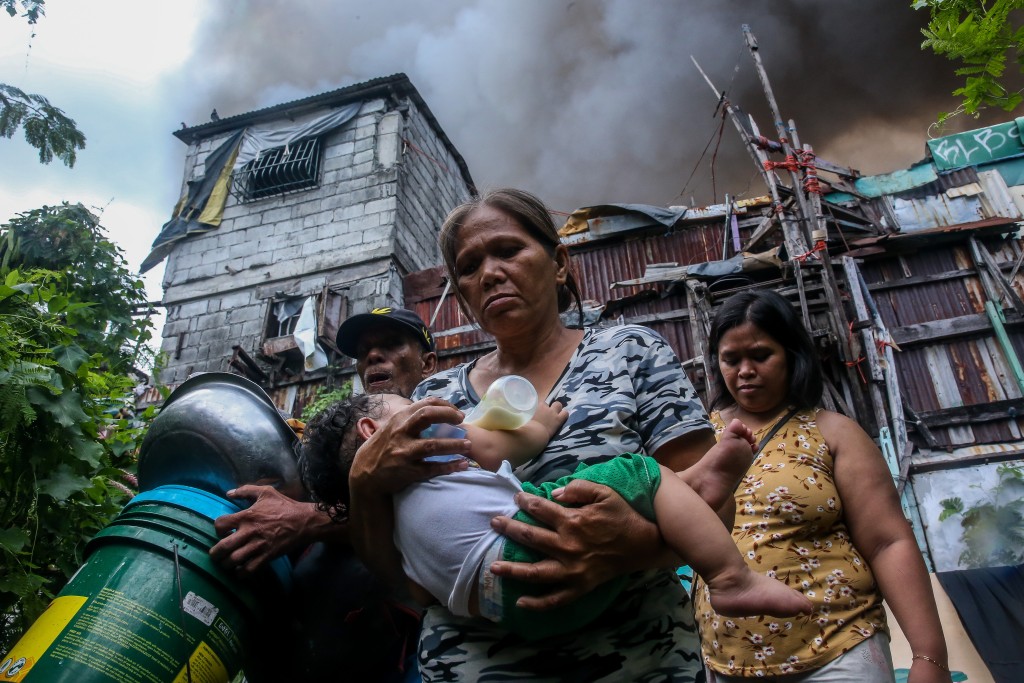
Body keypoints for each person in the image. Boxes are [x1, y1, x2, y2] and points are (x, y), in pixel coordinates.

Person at [347, 188, 752, 682]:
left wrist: (629, 546)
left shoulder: (628, 353)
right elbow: (407, 577)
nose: (490, 273)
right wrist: (362, 485)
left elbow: (715, 504)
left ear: (559, 263)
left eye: (509, 250)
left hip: (639, 662)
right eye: (469, 266)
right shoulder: (432, 400)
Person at [302, 392, 811, 640]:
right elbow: (510, 440)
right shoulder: (432, 441)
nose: (421, 403)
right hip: (523, 548)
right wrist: (543, 420)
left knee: (603, 493)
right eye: (405, 402)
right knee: (636, 473)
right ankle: (730, 576)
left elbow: (409, 583)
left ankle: (691, 488)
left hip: (519, 613)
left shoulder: (389, 525)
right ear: (375, 430)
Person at [693, 290, 952, 683]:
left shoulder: (833, 433)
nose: (745, 370)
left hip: (838, 648)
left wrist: (929, 657)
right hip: (726, 662)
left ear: (792, 354)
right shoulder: (697, 438)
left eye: (761, 356)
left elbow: (887, 542)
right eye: (731, 359)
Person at [207, 306, 440, 682]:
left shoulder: (448, 428)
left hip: (391, 646)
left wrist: (308, 518)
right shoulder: (340, 434)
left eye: (392, 344)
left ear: (427, 363)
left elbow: (431, 515)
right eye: (363, 351)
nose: (373, 356)